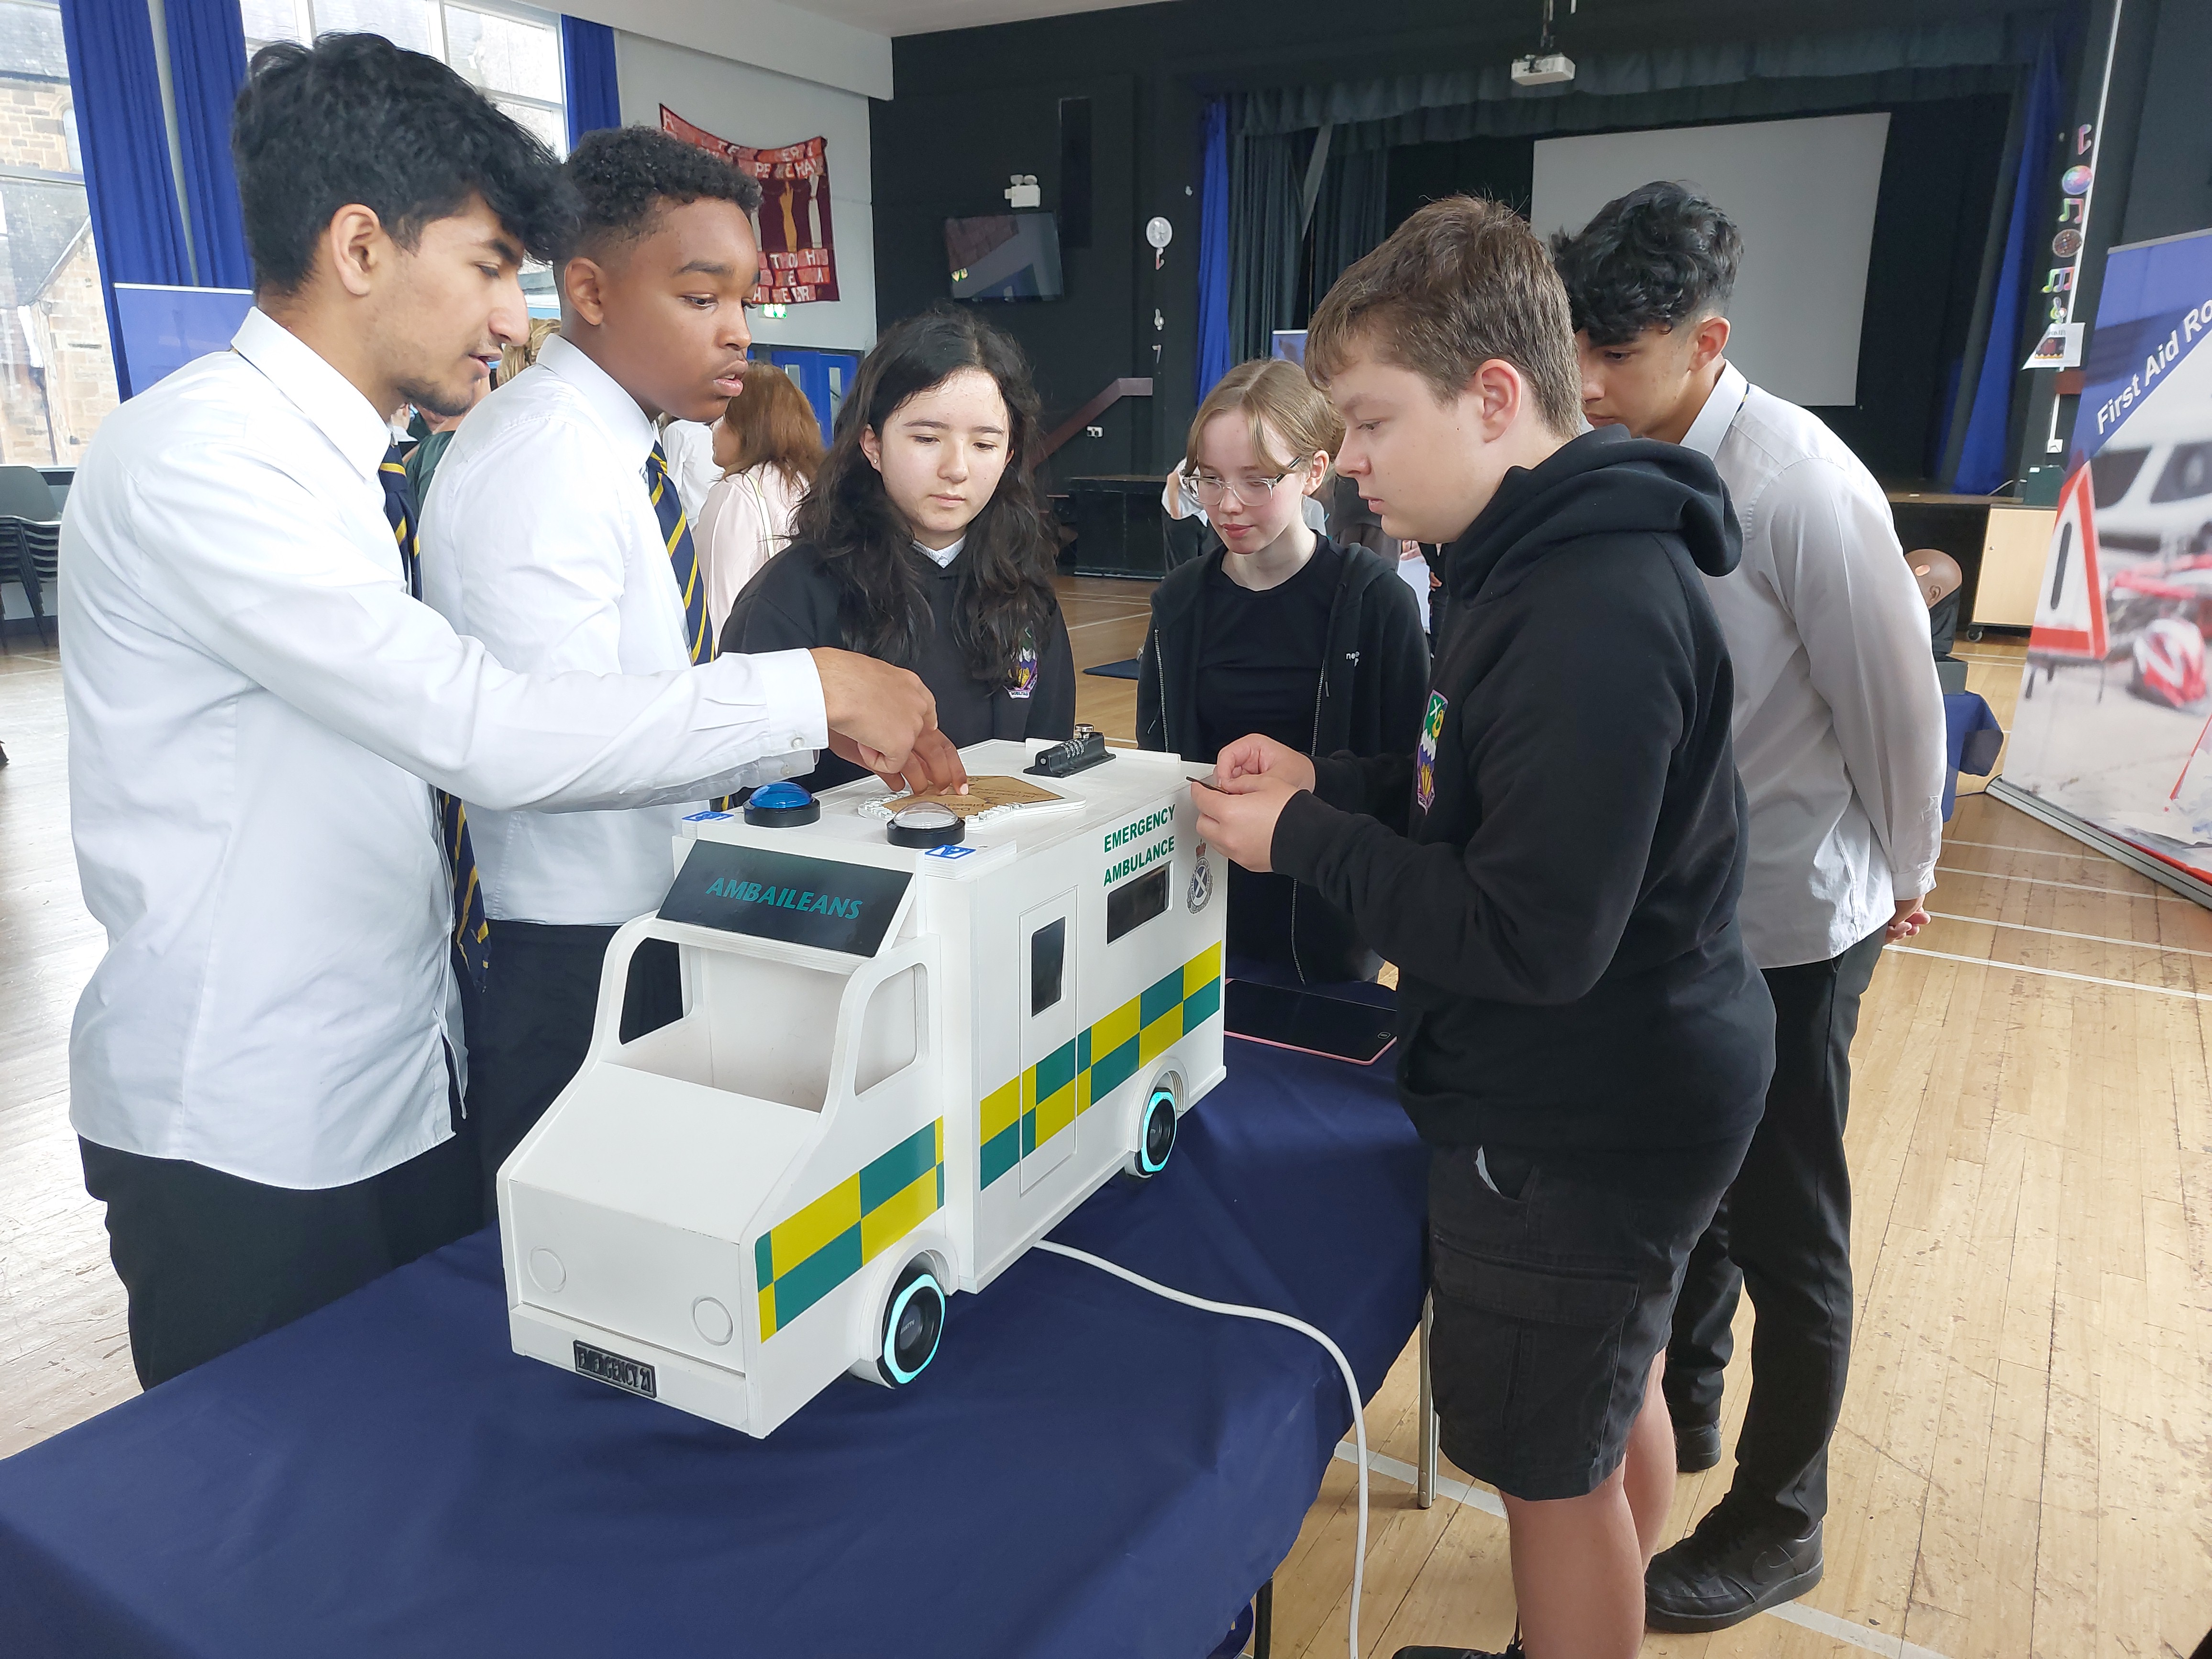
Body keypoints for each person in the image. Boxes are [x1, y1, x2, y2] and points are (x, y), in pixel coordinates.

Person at [61, 35, 959, 1391]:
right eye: (487, 266)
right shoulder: (207, 461)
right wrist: (807, 687)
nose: (506, 315)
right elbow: (488, 730)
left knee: (430, 1480)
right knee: (284, 1521)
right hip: (248, 1119)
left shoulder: (329, 465)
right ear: (363, 246)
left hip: (389, 1070)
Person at [1190, 196, 1773, 1659]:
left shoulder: (1587, 605)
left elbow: (1526, 933)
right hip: (1623, 1083)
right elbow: (1483, 791)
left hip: (1585, 1104)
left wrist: (1307, 840)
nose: (1351, 467)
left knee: (1547, 1476)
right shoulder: (1530, 563)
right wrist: (1345, 779)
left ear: (1494, 397)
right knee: (1606, 1390)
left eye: (1372, 424)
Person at [1553, 181, 1946, 1633]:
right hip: (1678, 908)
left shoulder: (1796, 486)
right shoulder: (1616, 450)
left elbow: (1897, 708)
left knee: (1787, 1221)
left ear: (1704, 340)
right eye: (1573, 347)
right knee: (1693, 1175)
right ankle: (1695, 1413)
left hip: (1790, 914)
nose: (1585, 382)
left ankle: (1779, 1520)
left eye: (1618, 353)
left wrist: (1905, 871)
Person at [420, 125, 802, 1209]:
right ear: (588, 288)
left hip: (648, 906)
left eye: (744, 303)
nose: (736, 334)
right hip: (564, 947)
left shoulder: (631, 446)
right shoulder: (542, 458)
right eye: (699, 298)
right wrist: (802, 700)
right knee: (580, 1257)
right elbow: (557, 738)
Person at [1137, 358, 1427, 984]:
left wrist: (1316, 783)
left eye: (1258, 480)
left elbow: (1413, 782)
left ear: (1314, 473)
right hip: (1199, 914)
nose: (1228, 505)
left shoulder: (1376, 602)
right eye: (1208, 480)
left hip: (1327, 923)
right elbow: (1156, 761)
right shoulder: (1179, 604)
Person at [722, 305, 1076, 793]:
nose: (956, 468)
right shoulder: (791, 597)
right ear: (872, 444)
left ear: (1009, 455)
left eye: (984, 445)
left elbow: (1047, 763)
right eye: (927, 438)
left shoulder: (1026, 595)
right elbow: (752, 801)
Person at [695, 361, 823, 636]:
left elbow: (720, 614)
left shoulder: (737, 493)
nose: (714, 428)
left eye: (725, 418)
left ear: (748, 427)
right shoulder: (810, 482)